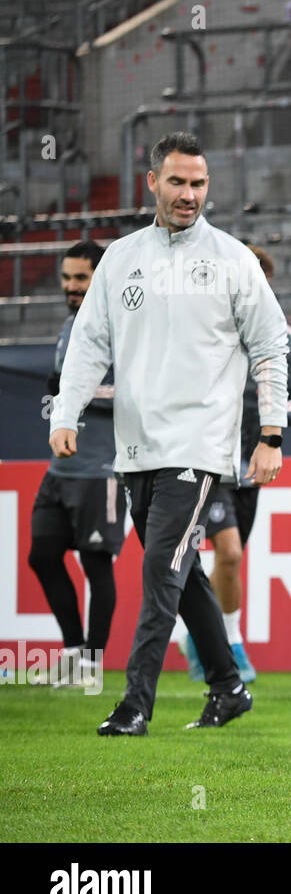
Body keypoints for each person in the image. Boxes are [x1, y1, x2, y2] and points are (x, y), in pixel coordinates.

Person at [50, 130, 289, 735]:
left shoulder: (233, 260)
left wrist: (271, 433)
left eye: (199, 183)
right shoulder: (121, 259)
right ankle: (228, 687)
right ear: (151, 182)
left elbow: (270, 345)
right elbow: (89, 344)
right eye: (178, 182)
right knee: (185, 578)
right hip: (137, 450)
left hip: (200, 447)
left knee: (160, 569)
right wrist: (66, 412)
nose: (189, 194)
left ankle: (135, 705)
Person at [178, 243, 291, 683]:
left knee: (232, 561)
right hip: (205, 460)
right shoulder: (202, 334)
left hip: (252, 467)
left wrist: (269, 423)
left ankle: (210, 636)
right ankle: (228, 644)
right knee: (228, 550)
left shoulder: (281, 337)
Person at [28, 240, 121, 688]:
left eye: (80, 278)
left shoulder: (121, 325)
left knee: (96, 563)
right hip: (59, 469)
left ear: (99, 277)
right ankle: (72, 649)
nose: (70, 286)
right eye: (66, 278)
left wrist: (75, 392)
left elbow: (135, 393)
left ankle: (90, 663)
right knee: (42, 556)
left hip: (100, 469)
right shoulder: (70, 326)